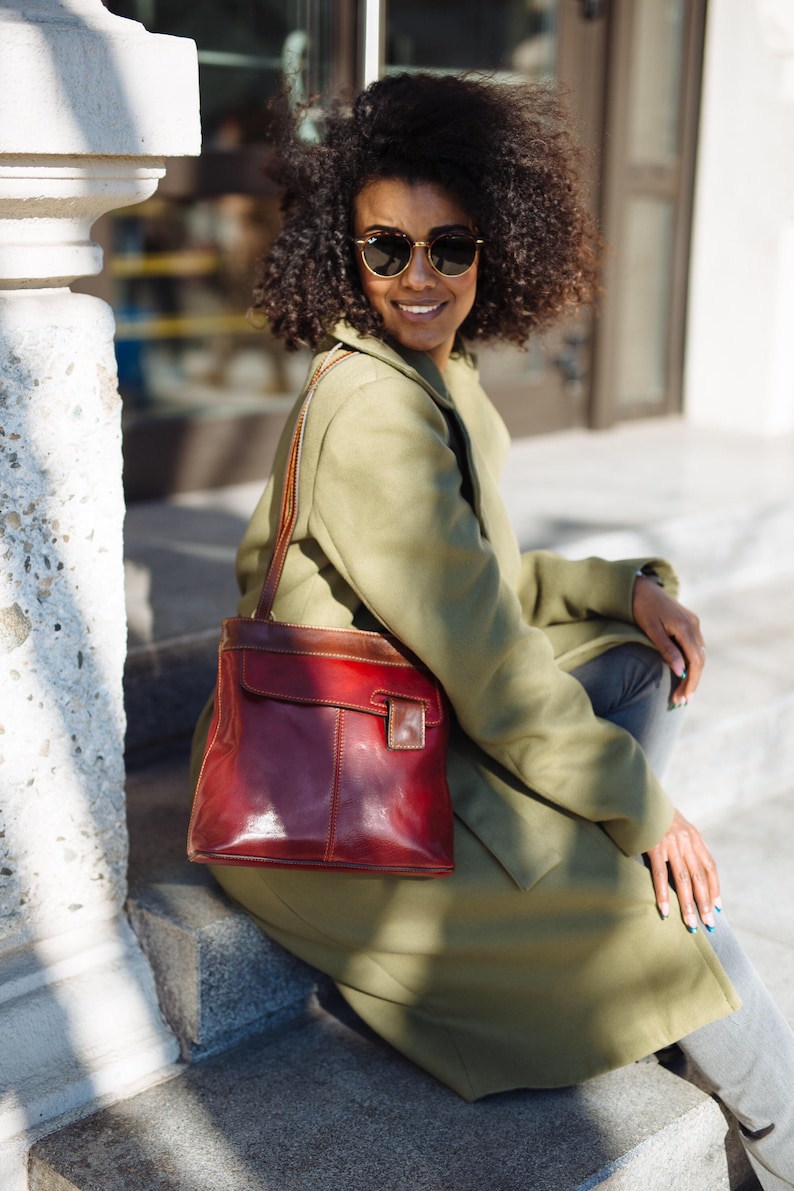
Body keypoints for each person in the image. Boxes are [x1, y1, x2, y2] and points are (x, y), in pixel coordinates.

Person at [191, 73, 794, 1189]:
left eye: (447, 246)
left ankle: (576, 875)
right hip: (331, 796)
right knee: (684, 927)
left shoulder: (429, 372)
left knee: (631, 664)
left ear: (492, 246)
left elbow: (473, 582)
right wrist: (639, 810)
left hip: (402, 714)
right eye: (385, 250)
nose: (417, 277)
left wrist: (620, 591)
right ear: (343, 253)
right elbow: (490, 667)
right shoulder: (371, 409)